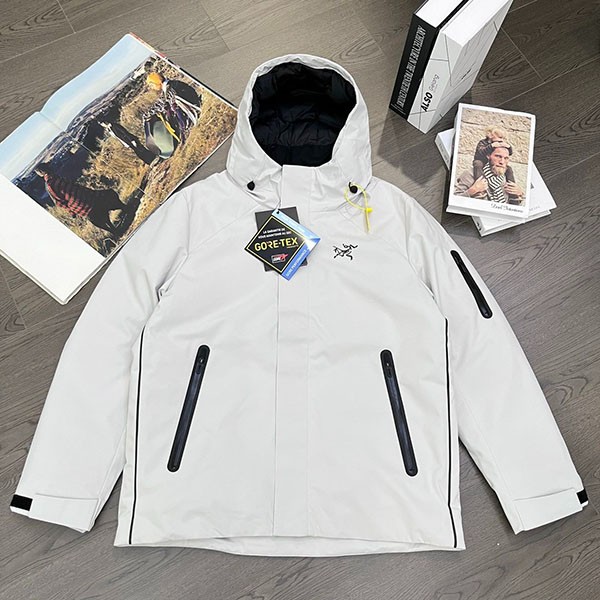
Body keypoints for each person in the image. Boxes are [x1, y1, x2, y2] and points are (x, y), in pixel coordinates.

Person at [34, 163, 127, 235]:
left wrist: (72, 211)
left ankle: (114, 228)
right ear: (43, 172)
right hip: (83, 201)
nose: (50, 168)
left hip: (82, 203)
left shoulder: (54, 179)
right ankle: (121, 216)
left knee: (98, 214)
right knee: (107, 198)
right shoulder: (51, 184)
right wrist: (71, 211)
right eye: (47, 167)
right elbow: (59, 202)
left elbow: (60, 201)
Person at [455, 145, 524, 204]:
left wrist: (520, 194)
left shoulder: (507, 178)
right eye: (498, 156)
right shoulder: (470, 174)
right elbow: (455, 200)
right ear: (488, 156)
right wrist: (472, 191)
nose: (502, 162)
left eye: (506, 158)